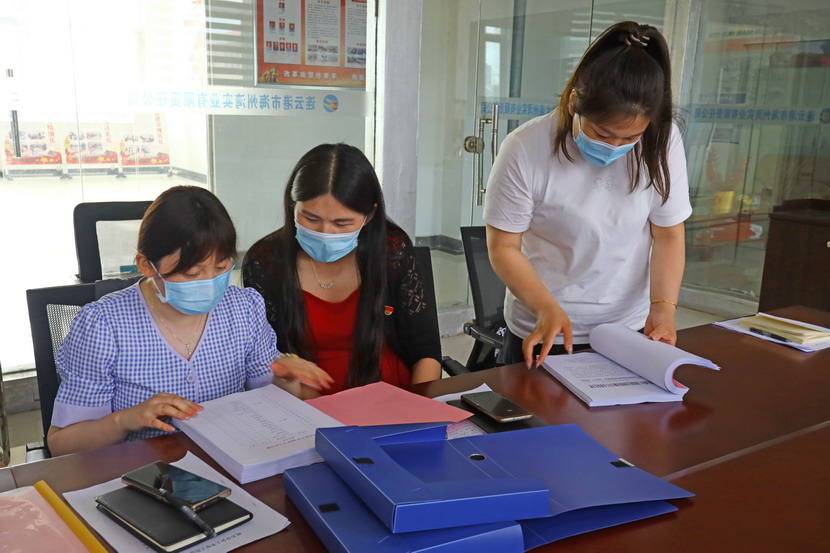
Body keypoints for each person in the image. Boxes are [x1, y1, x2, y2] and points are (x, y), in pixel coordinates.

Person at [47, 186, 323, 456]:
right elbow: (63, 443)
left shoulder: (244, 309)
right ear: (146, 265)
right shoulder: (103, 326)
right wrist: (126, 419)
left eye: (221, 267)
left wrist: (285, 379)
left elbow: (270, 403)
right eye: (191, 273)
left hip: (230, 463)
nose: (209, 282)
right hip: (145, 471)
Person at [484, 21, 692, 368]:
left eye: (630, 138)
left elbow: (669, 233)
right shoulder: (525, 147)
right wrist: (546, 307)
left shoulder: (662, 141)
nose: (615, 146)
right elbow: (503, 246)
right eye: (602, 133)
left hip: (627, 325)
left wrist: (663, 308)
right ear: (573, 103)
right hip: (545, 325)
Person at [243, 143, 442, 398]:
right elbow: (267, 359)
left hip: (393, 395)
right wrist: (315, 408)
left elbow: (426, 352)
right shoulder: (265, 262)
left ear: (370, 214)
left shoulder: (391, 250)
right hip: (304, 401)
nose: (325, 232)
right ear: (293, 206)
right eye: (311, 218)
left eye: (342, 223)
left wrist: (418, 406)